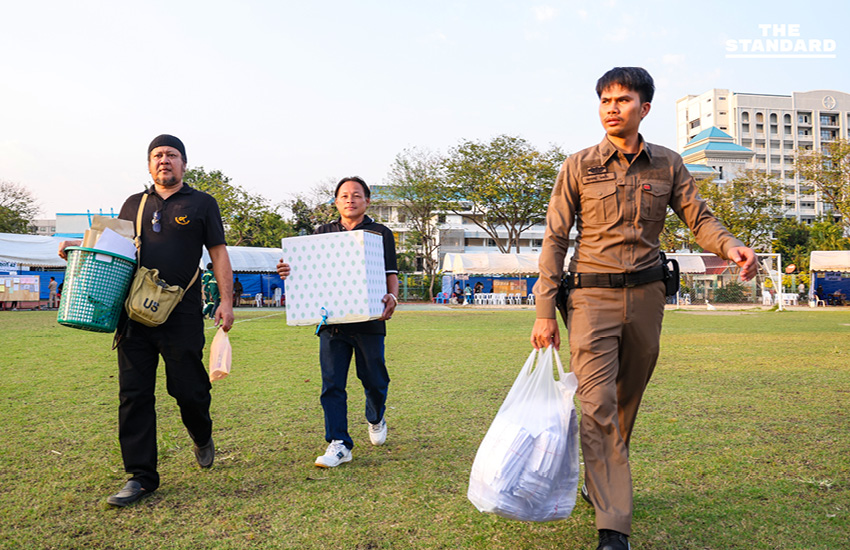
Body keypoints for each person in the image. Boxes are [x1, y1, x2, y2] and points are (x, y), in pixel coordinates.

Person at [530, 68, 757, 550]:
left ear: (644, 108)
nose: (612, 107)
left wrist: (732, 246)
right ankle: (614, 527)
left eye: (623, 99)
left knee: (624, 400)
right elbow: (554, 238)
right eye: (605, 100)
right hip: (590, 297)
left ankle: (602, 477)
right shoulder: (578, 166)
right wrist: (545, 309)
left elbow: (701, 219)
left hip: (648, 297)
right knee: (596, 404)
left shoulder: (668, 165)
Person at [58, 134, 234, 507]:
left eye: (171, 155)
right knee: (134, 393)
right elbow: (112, 247)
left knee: (188, 389)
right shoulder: (133, 204)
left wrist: (226, 301)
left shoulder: (202, 203)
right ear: (149, 164)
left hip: (181, 312)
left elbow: (218, 253)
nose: (164, 160)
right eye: (157, 155)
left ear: (184, 164)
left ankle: (201, 433)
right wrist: (75, 247)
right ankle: (140, 476)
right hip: (133, 313)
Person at [276, 176, 398, 468]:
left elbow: (390, 273)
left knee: (375, 379)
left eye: (356, 195)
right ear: (336, 202)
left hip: (369, 320)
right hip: (331, 321)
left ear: (367, 201)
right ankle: (339, 443)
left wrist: (392, 298)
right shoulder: (322, 233)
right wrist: (288, 270)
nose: (350, 200)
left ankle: (376, 415)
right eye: (344, 196)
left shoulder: (381, 233)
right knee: (332, 383)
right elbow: (308, 271)